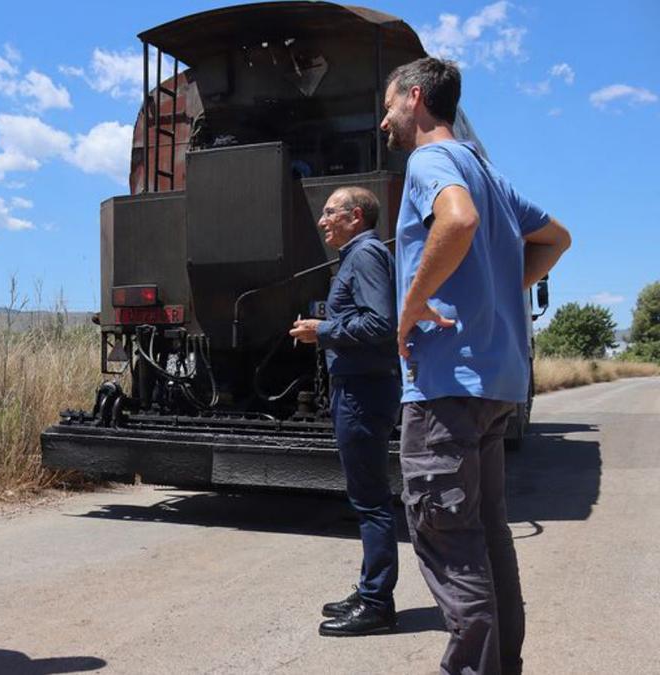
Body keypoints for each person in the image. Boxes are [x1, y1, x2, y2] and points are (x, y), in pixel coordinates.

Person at [381, 57, 572, 674]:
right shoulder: (488, 172)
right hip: (496, 387)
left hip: (444, 390)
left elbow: (455, 219)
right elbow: (557, 239)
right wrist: (495, 287)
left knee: (453, 548)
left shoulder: (429, 161)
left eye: (389, 106)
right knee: (489, 542)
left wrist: (410, 307)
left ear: (415, 99)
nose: (385, 121)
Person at [290, 187, 400, 637]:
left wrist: (325, 329)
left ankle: (377, 604)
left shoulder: (366, 255)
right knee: (366, 497)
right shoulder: (357, 256)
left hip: (364, 392)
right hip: (356, 389)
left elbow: (381, 322)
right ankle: (370, 589)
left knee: (371, 501)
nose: (322, 221)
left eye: (330, 213)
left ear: (356, 216)